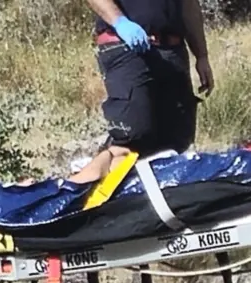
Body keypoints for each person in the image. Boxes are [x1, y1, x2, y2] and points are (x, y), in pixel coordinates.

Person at [84, 0, 215, 177]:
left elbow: (189, 5)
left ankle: (163, 190)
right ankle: (97, 186)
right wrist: (120, 22)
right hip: (125, 46)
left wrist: (202, 56)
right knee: (133, 135)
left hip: (172, 49)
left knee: (177, 139)